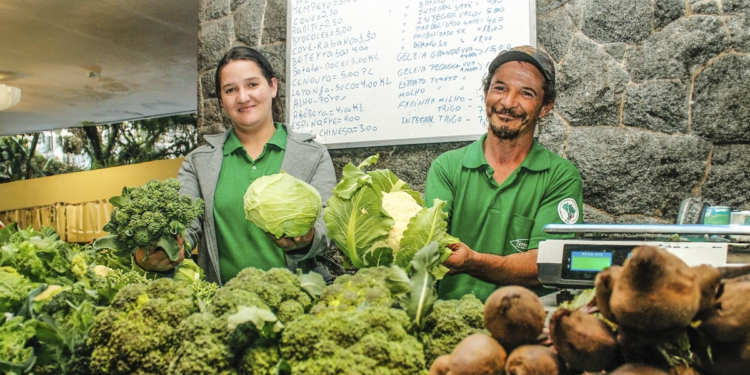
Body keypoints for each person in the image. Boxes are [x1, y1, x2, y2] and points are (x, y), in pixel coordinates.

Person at [135, 46, 337, 285]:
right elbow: (185, 227)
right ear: (222, 100)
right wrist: (163, 252)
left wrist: (307, 238)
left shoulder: (311, 154)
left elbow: (328, 224)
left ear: (272, 87)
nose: (242, 97)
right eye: (230, 90)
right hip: (224, 306)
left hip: (300, 302)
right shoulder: (199, 162)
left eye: (252, 84)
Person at [424, 46, 583, 302]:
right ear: (485, 93)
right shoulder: (447, 167)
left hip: (525, 322)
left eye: (526, 93)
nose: (508, 103)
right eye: (499, 88)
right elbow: (430, 243)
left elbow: (545, 264)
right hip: (452, 318)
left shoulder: (561, 177)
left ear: (546, 107)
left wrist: (474, 261)